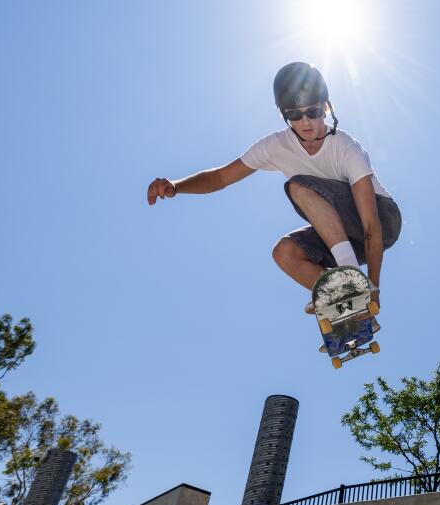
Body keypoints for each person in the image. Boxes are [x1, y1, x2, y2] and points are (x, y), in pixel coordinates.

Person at [146, 62, 400, 316]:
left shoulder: (346, 148)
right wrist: (177, 186)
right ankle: (342, 296)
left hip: (381, 218)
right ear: (284, 115)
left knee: (298, 186)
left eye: (313, 112)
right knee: (285, 253)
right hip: (347, 239)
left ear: (326, 107)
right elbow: (222, 177)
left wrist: (374, 285)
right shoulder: (275, 146)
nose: (306, 122)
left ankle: (353, 283)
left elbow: (371, 224)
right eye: (295, 116)